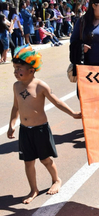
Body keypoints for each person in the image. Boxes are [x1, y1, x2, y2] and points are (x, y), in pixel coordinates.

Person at [7, 45, 81, 204]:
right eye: (14, 68)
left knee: (45, 159)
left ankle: (56, 180)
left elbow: (57, 102)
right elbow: (15, 107)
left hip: (40, 130)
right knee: (28, 162)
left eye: (19, 68)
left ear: (32, 70)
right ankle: (33, 189)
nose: (15, 71)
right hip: (25, 131)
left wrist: (73, 114)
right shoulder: (16, 86)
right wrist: (12, 124)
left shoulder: (40, 85)